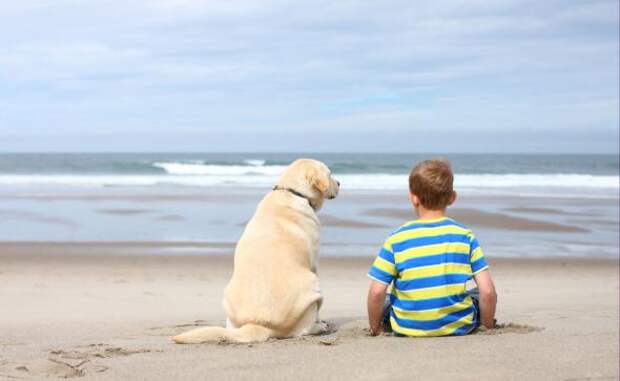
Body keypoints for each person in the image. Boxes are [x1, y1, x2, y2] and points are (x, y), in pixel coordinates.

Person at [366, 159, 497, 337]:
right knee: (474, 295)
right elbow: (488, 292)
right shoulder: (465, 236)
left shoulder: (396, 239)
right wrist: (486, 326)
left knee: (388, 299)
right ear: (452, 197)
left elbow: (376, 292)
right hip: (458, 325)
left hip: (407, 327)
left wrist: (376, 328)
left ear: (413, 197)